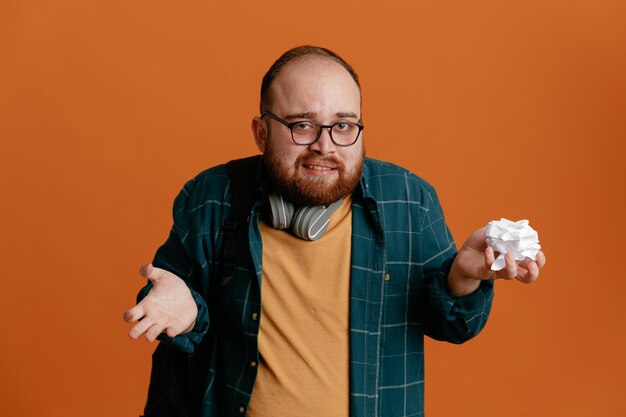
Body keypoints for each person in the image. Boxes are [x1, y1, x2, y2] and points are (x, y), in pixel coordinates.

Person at [123, 46, 546, 417]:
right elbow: (165, 301)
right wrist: (187, 309)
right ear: (261, 132)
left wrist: (463, 279)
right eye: (302, 125)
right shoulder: (212, 196)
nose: (325, 146)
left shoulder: (409, 200)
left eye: (343, 126)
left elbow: (452, 326)